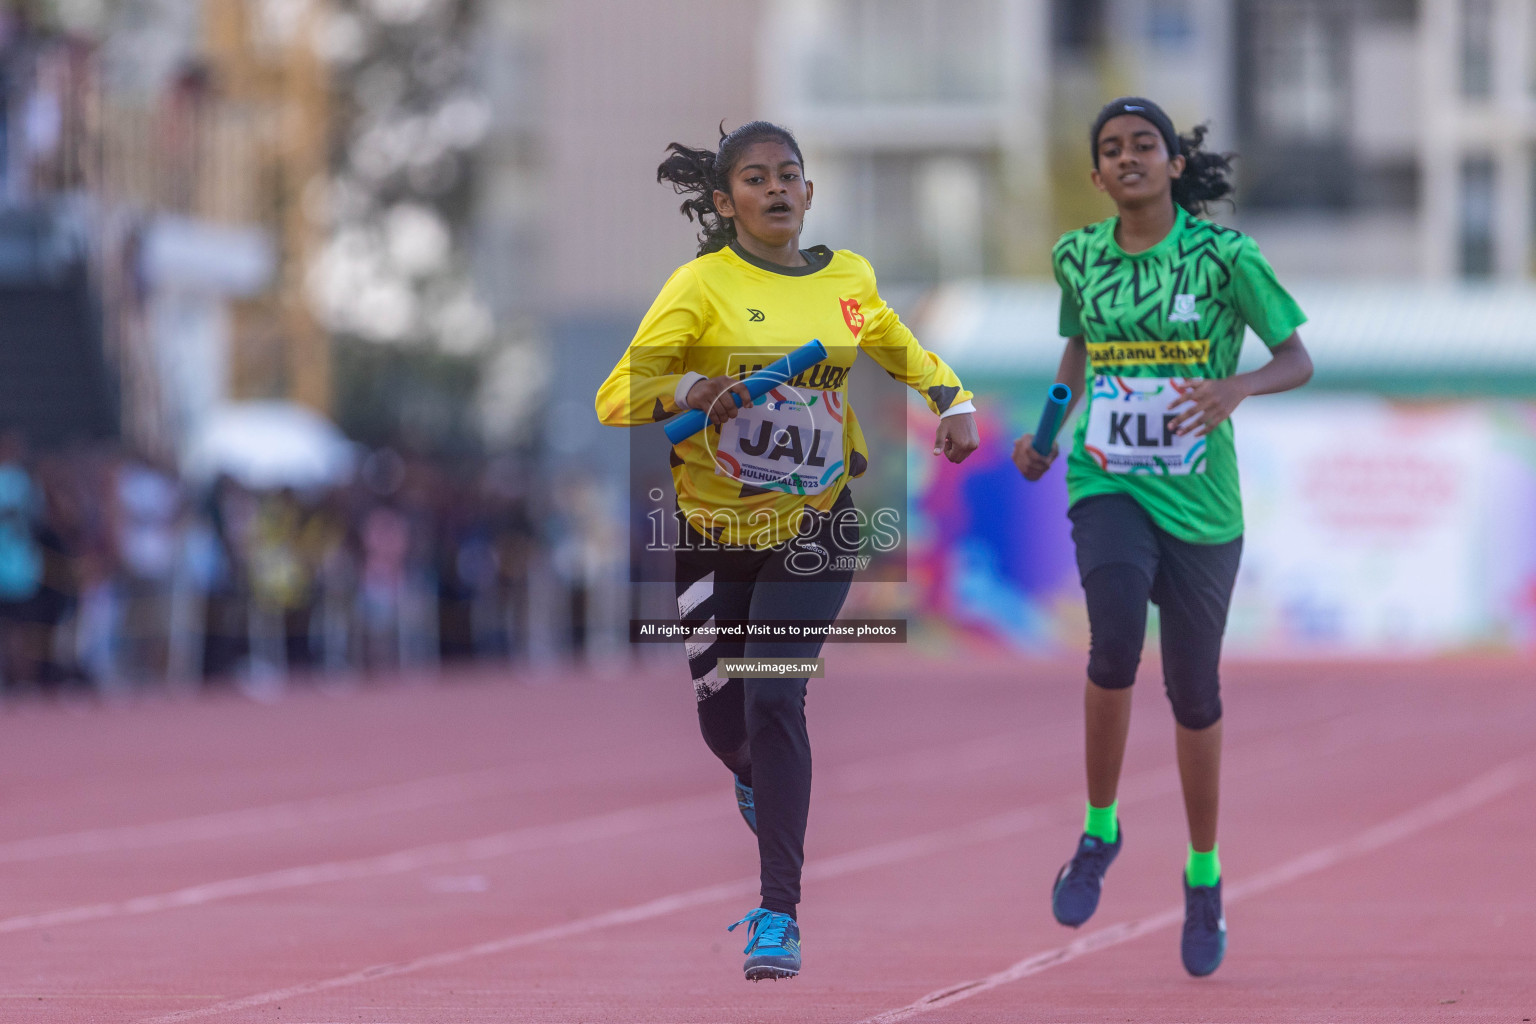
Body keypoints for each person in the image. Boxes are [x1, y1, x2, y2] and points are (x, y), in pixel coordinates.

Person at [596, 121, 979, 981]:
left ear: (809, 193)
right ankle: (750, 771)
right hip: (711, 532)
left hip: (817, 524)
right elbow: (614, 396)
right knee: (725, 724)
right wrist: (693, 388)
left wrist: (950, 399)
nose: (776, 190)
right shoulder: (700, 287)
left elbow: (892, 341)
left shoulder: (847, 280)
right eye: (757, 178)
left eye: (790, 176)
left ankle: (780, 915)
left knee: (776, 696)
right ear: (727, 201)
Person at [1012, 97, 1313, 978]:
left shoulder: (1225, 257)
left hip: (1203, 502)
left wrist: (1238, 388)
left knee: (1194, 693)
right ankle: (1100, 829)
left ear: (1174, 165)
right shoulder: (1079, 256)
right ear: (1099, 175)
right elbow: (1077, 356)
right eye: (1112, 149)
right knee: (1111, 640)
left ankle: (1204, 873)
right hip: (1109, 479)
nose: (1129, 157)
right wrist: (1046, 434)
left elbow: (1297, 357)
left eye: (1146, 144)